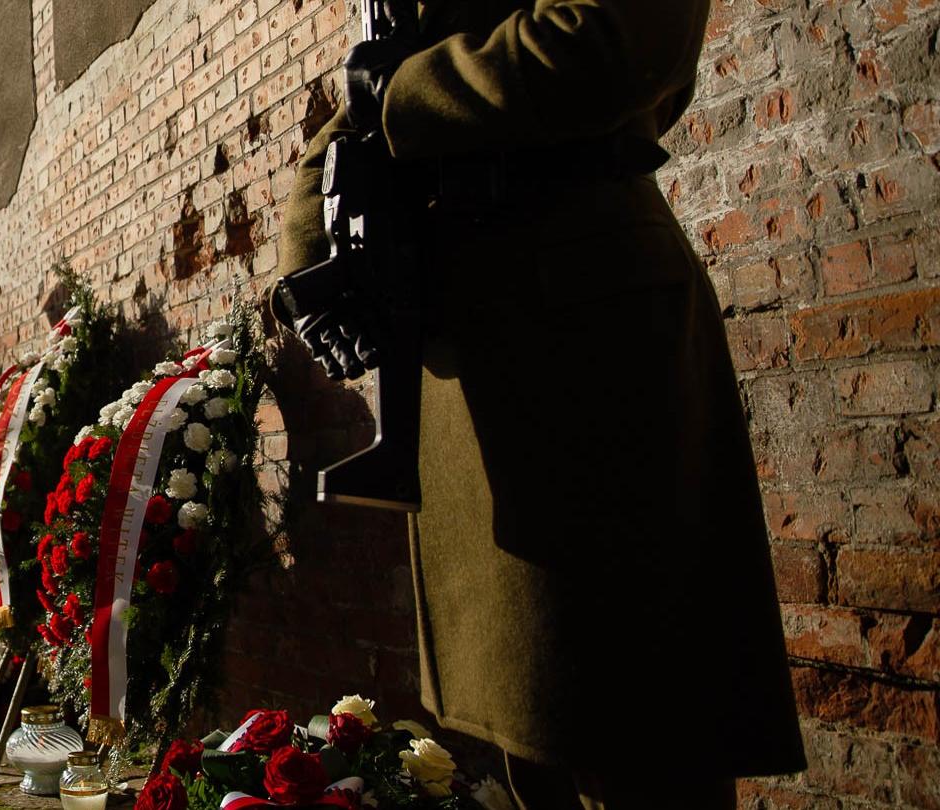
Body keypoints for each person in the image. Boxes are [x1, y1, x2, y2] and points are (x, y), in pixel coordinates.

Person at [273, 1, 804, 807]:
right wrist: (313, 254)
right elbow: (361, 92)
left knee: (639, 740)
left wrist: (405, 94)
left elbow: (624, 40)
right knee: (532, 748)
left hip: (590, 336)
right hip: (468, 358)